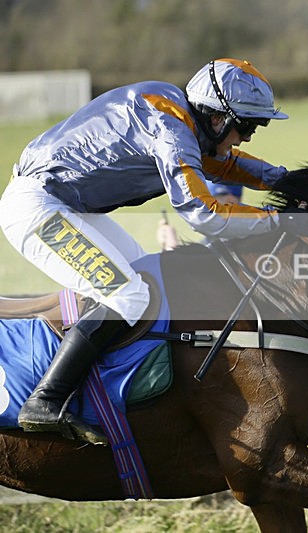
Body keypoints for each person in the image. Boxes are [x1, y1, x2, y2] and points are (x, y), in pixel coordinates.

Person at [0, 58, 290, 443]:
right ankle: (45, 400)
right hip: (38, 206)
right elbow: (203, 214)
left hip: (66, 205)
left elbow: (223, 163)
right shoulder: (169, 124)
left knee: (148, 279)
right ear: (218, 117)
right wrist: (276, 219)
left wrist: (289, 180)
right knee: (130, 295)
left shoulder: (181, 119)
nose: (248, 136)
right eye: (248, 125)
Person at [157, 181, 244, 251]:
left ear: (230, 201)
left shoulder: (238, 239)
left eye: (208, 202)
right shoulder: (213, 238)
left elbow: (202, 267)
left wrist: (170, 246)